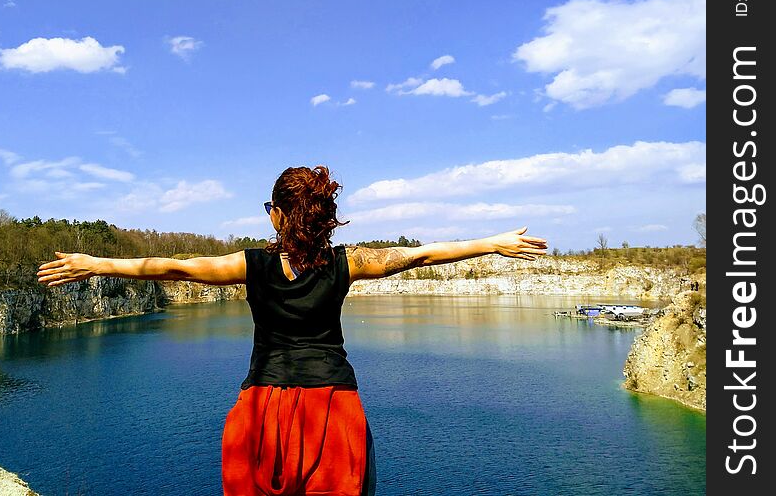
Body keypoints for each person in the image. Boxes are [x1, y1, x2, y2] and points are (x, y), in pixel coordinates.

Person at [37, 165, 548, 495]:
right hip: (333, 406)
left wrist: (96, 262)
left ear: (280, 215)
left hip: (263, 407)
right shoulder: (351, 263)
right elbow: (421, 254)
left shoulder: (252, 265)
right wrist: (492, 241)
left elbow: (175, 267)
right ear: (325, 220)